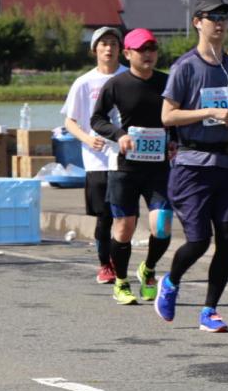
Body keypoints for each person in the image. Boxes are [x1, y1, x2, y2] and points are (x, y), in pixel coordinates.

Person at [156, 0, 228, 333]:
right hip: (191, 164)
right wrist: (209, 112)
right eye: (213, 17)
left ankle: (210, 310)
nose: (220, 23)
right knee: (199, 241)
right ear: (197, 22)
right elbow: (167, 116)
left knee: (226, 239)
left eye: (225, 17)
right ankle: (170, 281)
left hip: (226, 163)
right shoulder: (185, 66)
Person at [89, 28, 173, 306]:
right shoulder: (116, 85)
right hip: (124, 167)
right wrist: (119, 135)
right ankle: (121, 281)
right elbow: (97, 119)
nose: (148, 54)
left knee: (162, 225)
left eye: (152, 48)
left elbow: (178, 116)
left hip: (159, 167)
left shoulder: (167, 83)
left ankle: (148, 269)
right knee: (124, 228)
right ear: (127, 53)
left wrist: (175, 141)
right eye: (141, 49)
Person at [62, 26, 127, 285]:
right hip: (96, 159)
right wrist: (87, 138)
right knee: (104, 216)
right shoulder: (84, 82)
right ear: (94, 50)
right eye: (103, 44)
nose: (109, 48)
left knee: (125, 215)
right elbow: (70, 121)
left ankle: (121, 263)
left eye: (113, 43)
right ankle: (105, 264)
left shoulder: (129, 77)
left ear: (121, 49)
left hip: (126, 157)